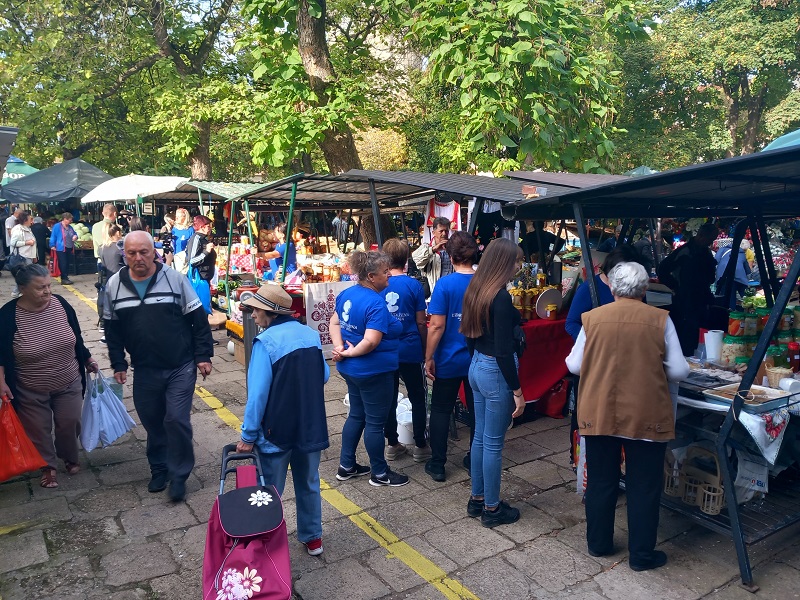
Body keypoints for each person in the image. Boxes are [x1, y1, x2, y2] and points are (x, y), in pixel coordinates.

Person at [566, 262, 689, 572]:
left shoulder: (592, 319)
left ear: (611, 287)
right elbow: (678, 371)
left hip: (600, 410)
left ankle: (598, 544)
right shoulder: (660, 320)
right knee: (644, 485)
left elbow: (574, 365)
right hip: (646, 413)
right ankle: (641, 555)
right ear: (645, 289)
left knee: (601, 480)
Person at [103, 231, 213, 502]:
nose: (138, 258)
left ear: (154, 252)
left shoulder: (175, 279)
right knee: (152, 422)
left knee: (175, 419)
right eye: (132, 253)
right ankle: (159, 468)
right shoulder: (113, 286)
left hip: (180, 364)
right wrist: (118, 362)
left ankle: (179, 475)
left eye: (144, 252)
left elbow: (198, 320)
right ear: (124, 254)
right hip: (144, 368)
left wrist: (203, 356)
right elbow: (112, 328)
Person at [236, 284, 330, 556]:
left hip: (276, 428)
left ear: (271, 313)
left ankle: (265, 539)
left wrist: (247, 435)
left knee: (269, 488)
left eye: (256, 310)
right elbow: (323, 376)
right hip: (310, 424)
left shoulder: (265, 343)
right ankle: (313, 539)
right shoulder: (311, 336)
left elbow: (257, 397)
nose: (252, 315)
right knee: (309, 481)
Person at [0, 263, 99, 488]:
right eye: (40, 288)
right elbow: (1, 353)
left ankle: (69, 456)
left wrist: (87, 358)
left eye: (48, 286)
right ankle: (48, 467)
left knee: (70, 422)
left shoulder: (61, 304)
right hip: (29, 387)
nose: (47, 292)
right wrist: (1, 381)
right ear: (22, 289)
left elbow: (76, 337)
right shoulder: (7, 315)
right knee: (38, 428)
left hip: (68, 378)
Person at [460, 238, 526, 527]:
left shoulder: (477, 289)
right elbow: (503, 350)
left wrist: (477, 361)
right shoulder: (500, 297)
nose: (519, 266)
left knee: (481, 439)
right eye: (516, 261)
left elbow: (469, 335)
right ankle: (492, 508)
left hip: (476, 365)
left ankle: (478, 499)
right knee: (493, 443)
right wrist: (518, 391)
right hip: (493, 369)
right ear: (503, 264)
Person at [329, 250, 408, 487]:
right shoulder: (375, 302)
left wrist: (340, 348)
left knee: (356, 415)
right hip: (373, 371)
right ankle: (380, 473)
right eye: (385, 273)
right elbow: (371, 341)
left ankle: (347, 465)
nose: (389, 277)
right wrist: (348, 351)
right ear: (371, 276)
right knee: (375, 423)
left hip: (352, 370)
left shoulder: (347, 293)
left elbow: (334, 322)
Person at [424, 231, 479, 483]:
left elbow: (436, 326)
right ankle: (475, 458)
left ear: (449, 254)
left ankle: (437, 463)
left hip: (448, 357)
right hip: (478, 357)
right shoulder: (484, 282)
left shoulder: (445, 284)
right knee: (478, 409)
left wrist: (428, 357)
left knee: (441, 409)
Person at [381, 238, 429, 463]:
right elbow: (421, 322)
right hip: (410, 349)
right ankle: (420, 445)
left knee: (388, 398)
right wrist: (425, 347)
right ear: (406, 258)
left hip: (386, 349)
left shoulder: (380, 284)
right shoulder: (414, 285)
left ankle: (392, 443)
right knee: (418, 396)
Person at [657, 222, 719, 356]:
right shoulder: (685, 251)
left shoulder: (706, 253)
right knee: (685, 335)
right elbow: (662, 270)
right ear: (702, 235)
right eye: (710, 239)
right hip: (684, 301)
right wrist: (676, 286)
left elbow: (711, 277)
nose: (710, 243)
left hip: (701, 300)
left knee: (699, 335)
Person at [565, 245, 645, 341]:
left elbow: (643, 315)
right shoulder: (588, 288)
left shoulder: (636, 287)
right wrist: (592, 342)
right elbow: (571, 323)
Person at [412, 216, 453, 296]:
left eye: (446, 231)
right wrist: (433, 250)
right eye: (441, 231)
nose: (444, 234)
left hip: (452, 291)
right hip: (435, 293)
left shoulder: (454, 247)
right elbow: (416, 259)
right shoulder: (426, 247)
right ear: (433, 232)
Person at [9, 211, 38, 298]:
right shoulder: (18, 229)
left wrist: (34, 256)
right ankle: (17, 292)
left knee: (26, 275)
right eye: (30, 219)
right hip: (22, 256)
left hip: (28, 255)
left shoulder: (27, 228)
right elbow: (13, 243)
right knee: (26, 275)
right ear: (25, 220)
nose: (31, 221)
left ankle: (20, 292)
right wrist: (27, 242)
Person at [49, 212, 79, 285]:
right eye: (70, 220)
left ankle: (66, 277)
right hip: (61, 248)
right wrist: (52, 245)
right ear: (65, 219)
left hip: (69, 247)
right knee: (63, 263)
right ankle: (63, 278)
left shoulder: (70, 227)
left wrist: (75, 236)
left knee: (67, 263)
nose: (71, 221)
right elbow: (53, 236)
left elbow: (74, 233)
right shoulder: (57, 226)